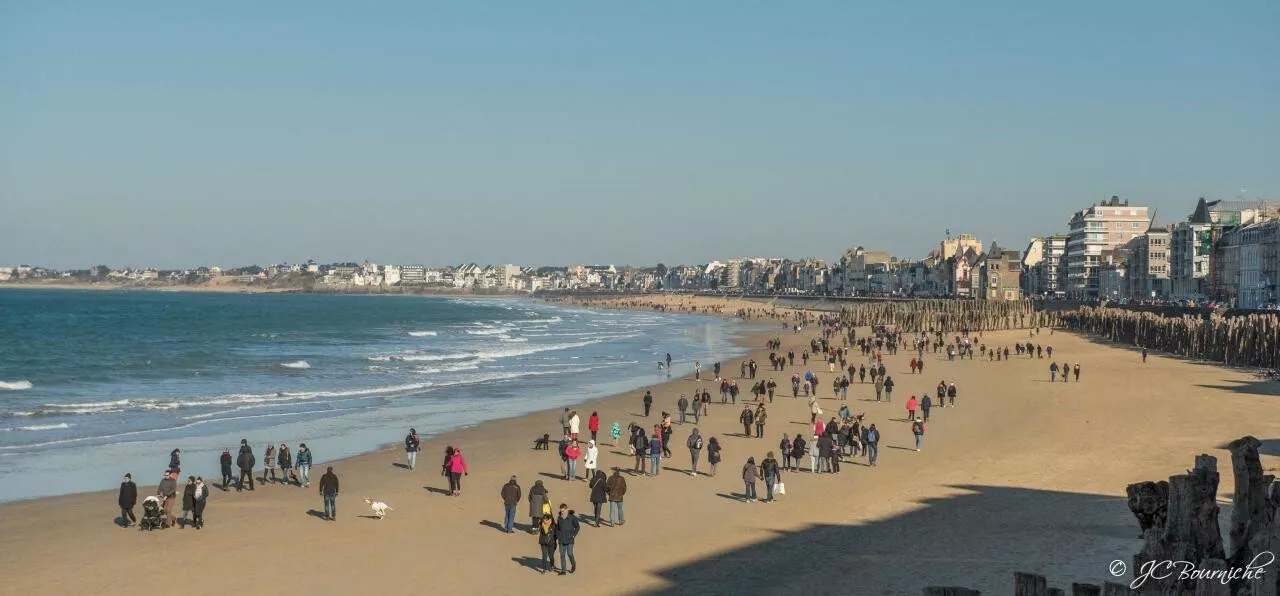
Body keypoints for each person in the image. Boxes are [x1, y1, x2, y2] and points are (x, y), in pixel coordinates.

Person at [556, 504, 580, 575]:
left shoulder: (572, 518)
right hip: (561, 540)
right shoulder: (559, 518)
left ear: (567, 509)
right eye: (561, 511)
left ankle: (573, 565)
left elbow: (577, 527)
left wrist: (574, 535)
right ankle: (563, 571)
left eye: (563, 511)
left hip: (570, 539)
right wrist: (558, 535)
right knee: (562, 555)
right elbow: (557, 528)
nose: (562, 512)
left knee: (570, 553)